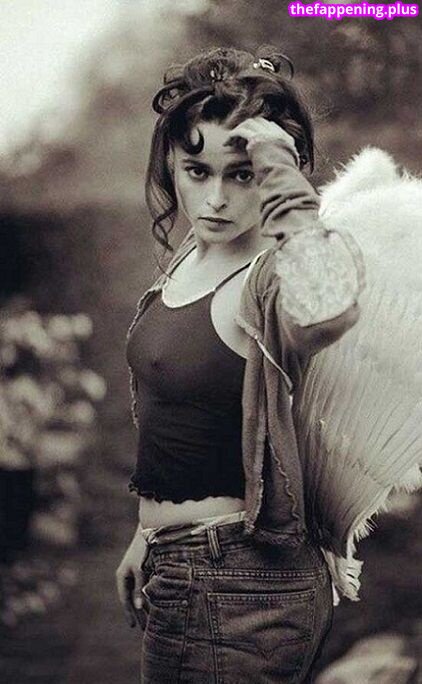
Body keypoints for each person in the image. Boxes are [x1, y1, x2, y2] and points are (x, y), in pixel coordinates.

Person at [116, 46, 362, 683]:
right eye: (197, 171)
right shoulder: (193, 255)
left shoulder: (271, 277)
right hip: (186, 566)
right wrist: (148, 535)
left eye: (243, 175)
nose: (217, 199)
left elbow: (331, 304)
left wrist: (278, 161)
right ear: (171, 164)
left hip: (239, 581)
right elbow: (187, 425)